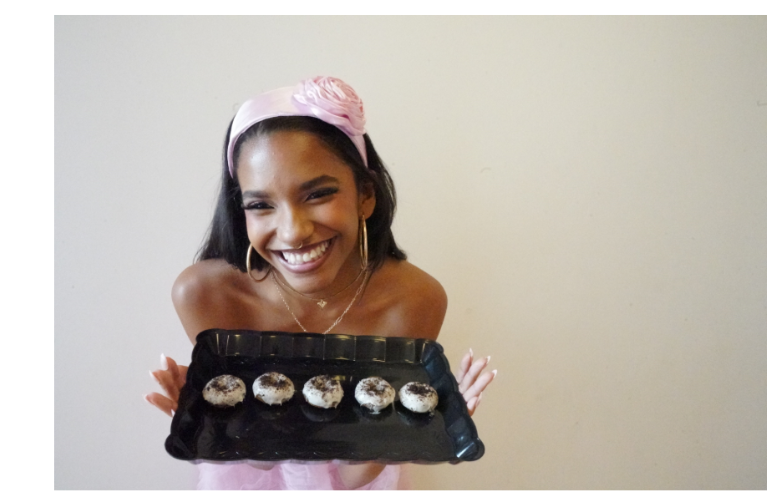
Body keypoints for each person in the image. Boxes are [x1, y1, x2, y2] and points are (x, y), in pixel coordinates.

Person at [145, 77, 496, 489]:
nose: (293, 232)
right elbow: (258, 462)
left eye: (316, 195)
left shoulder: (413, 299)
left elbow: (352, 477)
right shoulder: (205, 295)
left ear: (366, 194)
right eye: (260, 205)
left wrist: (416, 428)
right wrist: (213, 423)